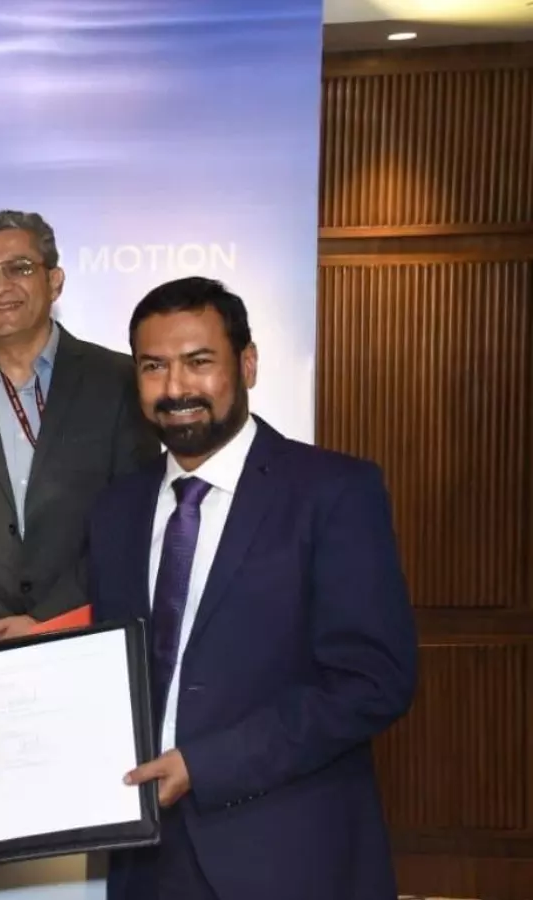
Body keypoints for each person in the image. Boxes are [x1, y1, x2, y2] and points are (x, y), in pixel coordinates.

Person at [90, 277, 416, 900]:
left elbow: (374, 681)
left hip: (288, 853)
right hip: (145, 858)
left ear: (247, 364)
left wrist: (205, 765)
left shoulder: (334, 492)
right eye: (153, 366)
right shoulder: (116, 509)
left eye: (199, 362)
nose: (175, 388)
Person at [0, 210, 156, 648]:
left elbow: (134, 516)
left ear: (55, 281)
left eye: (19, 268)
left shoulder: (119, 382)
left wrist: (46, 621)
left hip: (90, 635)